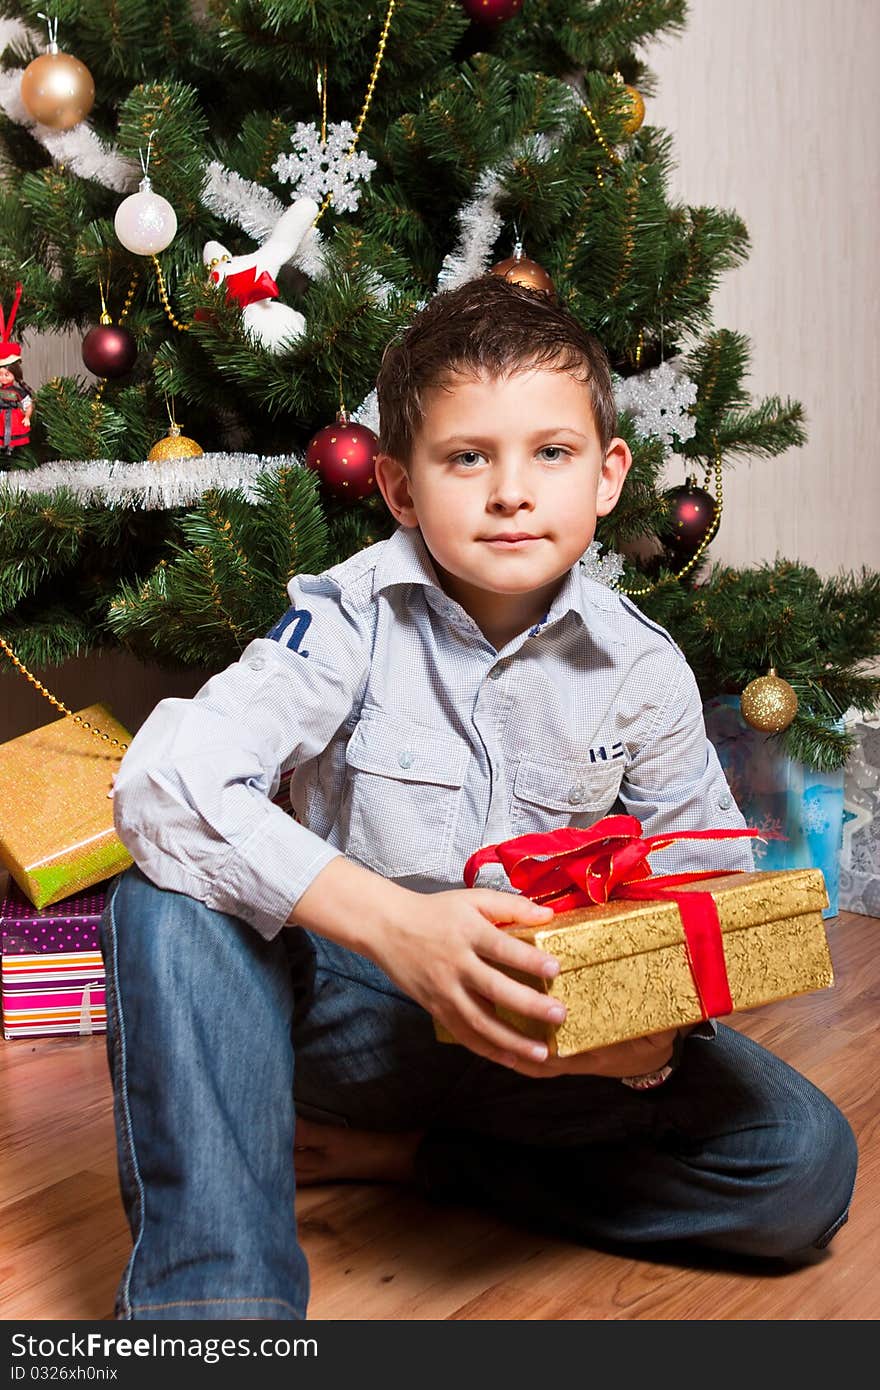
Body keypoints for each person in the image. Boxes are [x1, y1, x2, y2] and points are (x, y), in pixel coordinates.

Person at [102, 275, 857, 1321]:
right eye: (468, 458)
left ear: (605, 476)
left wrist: (646, 1048)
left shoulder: (642, 670)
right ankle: (215, 1310)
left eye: (550, 453)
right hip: (349, 1018)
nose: (511, 492)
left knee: (800, 1166)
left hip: (544, 1039)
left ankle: (410, 1161)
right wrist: (399, 928)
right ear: (403, 491)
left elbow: (702, 889)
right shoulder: (347, 623)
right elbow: (163, 780)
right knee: (164, 896)